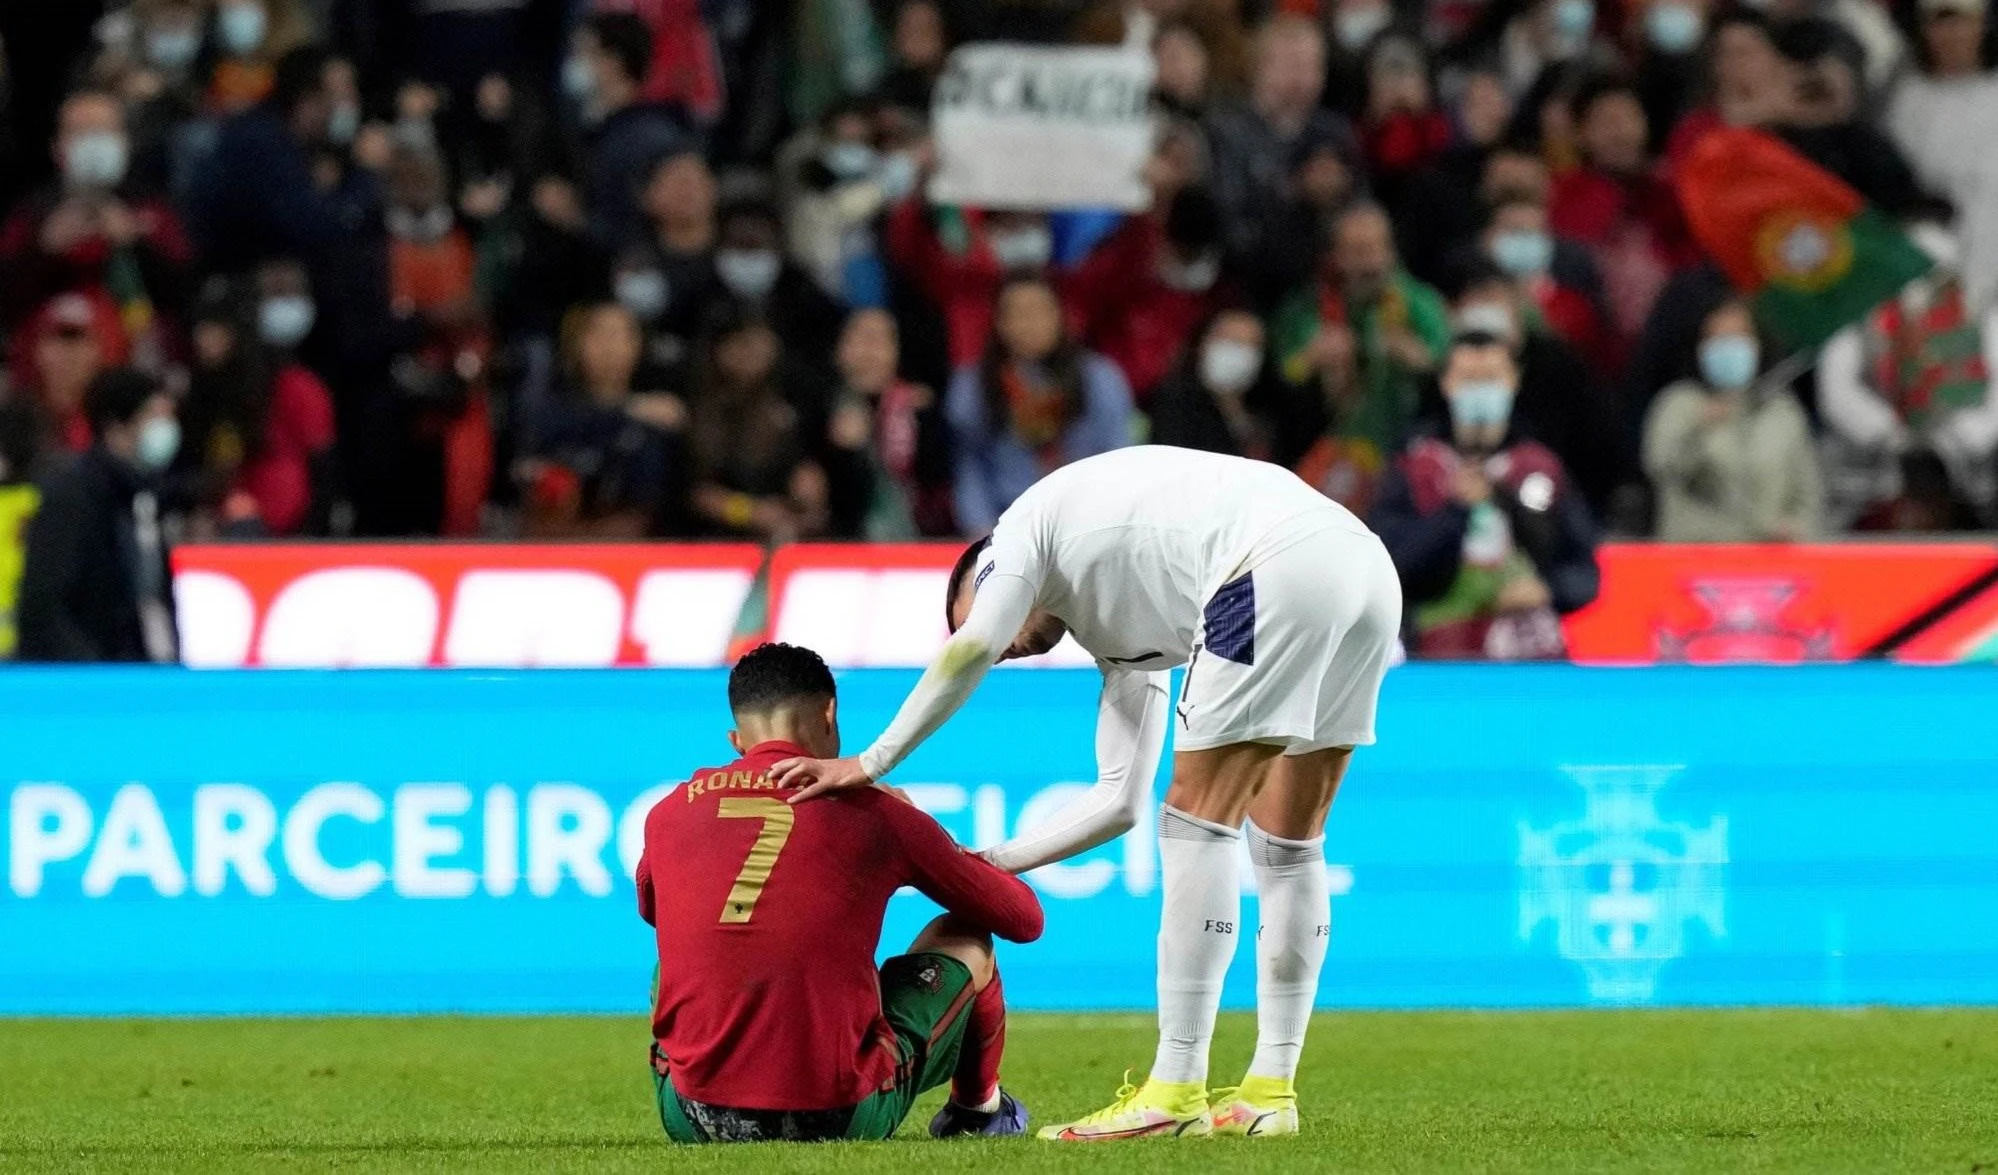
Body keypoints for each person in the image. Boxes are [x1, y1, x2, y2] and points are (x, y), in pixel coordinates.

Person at [768, 445, 1403, 1142]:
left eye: (974, 615)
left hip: (1269, 565)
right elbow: (1118, 801)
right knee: (1288, 846)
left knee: (1196, 824)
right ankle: (1270, 1093)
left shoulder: (1016, 536)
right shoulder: (1125, 620)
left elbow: (971, 645)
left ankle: (1174, 1089)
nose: (997, 647)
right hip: (1363, 569)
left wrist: (870, 761)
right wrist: (984, 862)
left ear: (986, 574)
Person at [640, 642, 1042, 1143]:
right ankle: (979, 1111)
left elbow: (657, 912)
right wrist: (926, 830)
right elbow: (1023, 919)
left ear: (737, 740)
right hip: (842, 1113)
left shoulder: (668, 811)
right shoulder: (876, 812)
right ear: (830, 714)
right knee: (964, 933)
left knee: (678, 960)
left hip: (692, 1116)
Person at [1371, 332, 1601, 660]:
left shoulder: (1538, 466)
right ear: (1447, 383)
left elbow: (1583, 569)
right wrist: (1454, 511)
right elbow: (1388, 566)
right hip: (1439, 657)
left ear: (1513, 381)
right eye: (1469, 379)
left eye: (1491, 378)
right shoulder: (1415, 466)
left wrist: (1547, 590)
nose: (1480, 391)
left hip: (1531, 654)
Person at [1270, 202, 1452, 517]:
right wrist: (1311, 359)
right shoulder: (1309, 308)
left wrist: (1417, 358)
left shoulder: (1420, 303)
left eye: (1377, 248)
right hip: (1330, 450)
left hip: (1408, 448)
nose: (1371, 262)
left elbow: (1446, 362)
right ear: (1336, 257)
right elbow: (1284, 371)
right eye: (1357, 251)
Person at [946, 275, 1135, 533]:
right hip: (1007, 526)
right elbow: (971, 470)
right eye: (1019, 314)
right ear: (999, 323)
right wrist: (982, 533)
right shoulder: (972, 388)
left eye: (1040, 311)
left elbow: (1120, 460)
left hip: (1089, 525)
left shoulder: (1100, 379)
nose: (1031, 324)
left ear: (1060, 316)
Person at [15, 368, 180, 662]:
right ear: (116, 426)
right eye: (155, 417)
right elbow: (43, 607)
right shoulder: (72, 495)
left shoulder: (146, 495)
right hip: (90, 677)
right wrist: (94, 673)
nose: (167, 429)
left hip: (143, 673)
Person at [1643, 299, 1825, 541]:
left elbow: (1808, 491)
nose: (1729, 347)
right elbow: (1661, 467)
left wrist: (1795, 528)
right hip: (1697, 552)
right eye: (1718, 338)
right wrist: (1699, 428)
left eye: (1739, 337)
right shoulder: (1679, 404)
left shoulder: (1782, 411)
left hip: (1770, 555)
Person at [568, 12, 694, 246]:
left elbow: (633, 224)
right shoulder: (595, 128)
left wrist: (577, 220)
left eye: (583, 53)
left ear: (613, 61)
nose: (575, 64)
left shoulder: (649, 137)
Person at [1148, 307, 1277, 458]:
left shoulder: (1270, 414)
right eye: (1229, 340)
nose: (1237, 352)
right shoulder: (1176, 402)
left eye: (1250, 344)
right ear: (1202, 343)